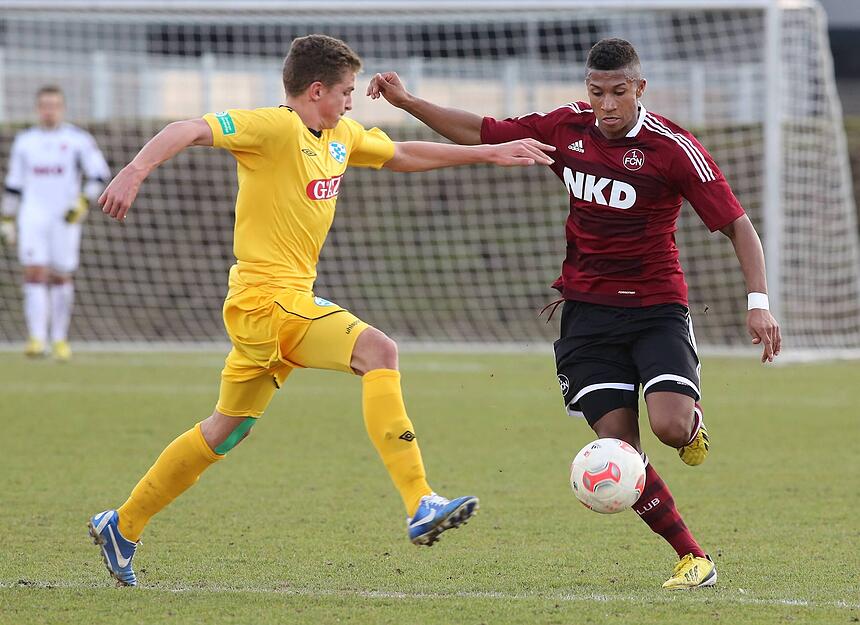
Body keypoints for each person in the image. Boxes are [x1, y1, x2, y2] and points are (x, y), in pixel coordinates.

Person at [88, 34, 555, 587]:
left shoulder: (340, 135)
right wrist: (135, 169)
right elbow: (187, 128)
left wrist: (487, 152)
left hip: (282, 305)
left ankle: (123, 524)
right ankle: (420, 501)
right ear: (316, 90)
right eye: (346, 92)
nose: (352, 102)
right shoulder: (273, 128)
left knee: (225, 430)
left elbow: (402, 154)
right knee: (379, 351)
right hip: (267, 301)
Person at [367, 37, 782, 590]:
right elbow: (484, 130)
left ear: (640, 88)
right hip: (587, 315)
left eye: (618, 92)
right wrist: (407, 102)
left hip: (656, 308)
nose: (606, 104)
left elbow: (738, 225)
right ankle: (693, 558)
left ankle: (692, 428)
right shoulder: (566, 127)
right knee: (619, 451)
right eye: (596, 92)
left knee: (670, 427)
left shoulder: (673, 149)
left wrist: (758, 304)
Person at [1, 85, 110, 361]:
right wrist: (7, 218)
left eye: (54, 105)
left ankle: (60, 339)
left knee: (61, 275)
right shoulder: (25, 142)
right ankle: (37, 338)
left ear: (62, 108)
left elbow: (99, 174)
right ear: (37, 109)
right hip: (32, 216)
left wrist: (82, 202)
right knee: (34, 272)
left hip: (64, 218)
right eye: (44, 106)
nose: (49, 111)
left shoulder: (78, 140)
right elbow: (14, 184)